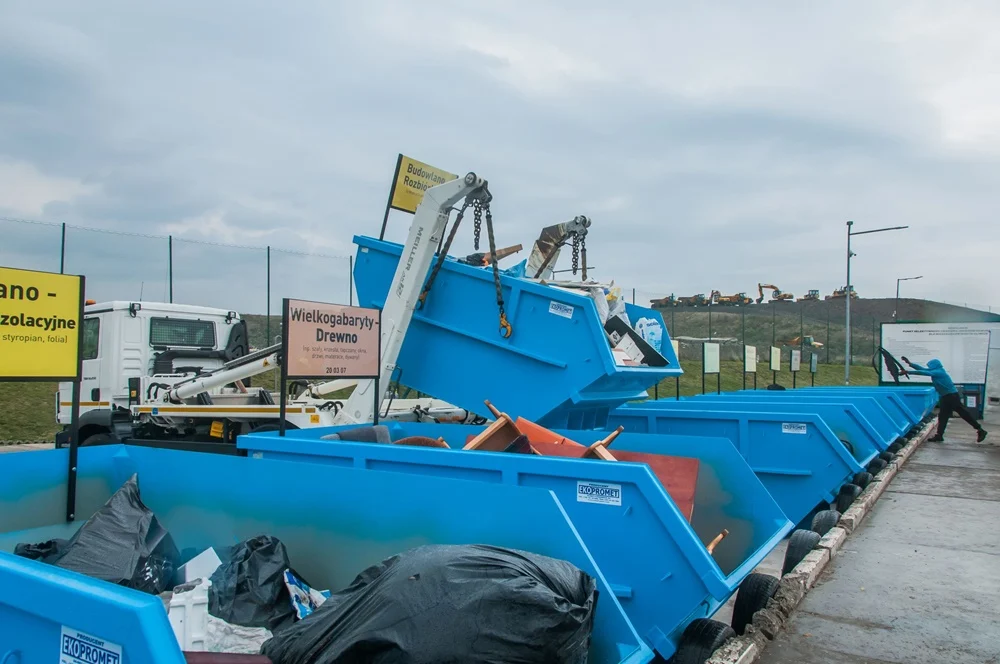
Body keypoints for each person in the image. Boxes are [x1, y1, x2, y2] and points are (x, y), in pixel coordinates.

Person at [902, 357, 988, 442]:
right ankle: (939, 435)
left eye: (930, 366)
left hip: (952, 396)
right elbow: (923, 369)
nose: (929, 367)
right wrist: (910, 364)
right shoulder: (935, 371)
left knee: (963, 413)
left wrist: (909, 372)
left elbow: (924, 372)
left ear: (934, 366)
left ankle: (980, 430)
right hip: (945, 396)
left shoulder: (939, 372)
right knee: (943, 416)